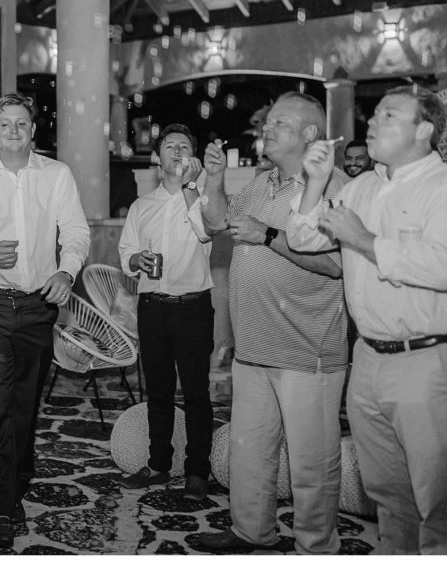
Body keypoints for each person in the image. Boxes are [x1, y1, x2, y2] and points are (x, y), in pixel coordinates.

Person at [288, 85, 447, 554]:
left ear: (424, 129)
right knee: (388, 494)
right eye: (376, 112)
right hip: (367, 359)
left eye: (390, 115)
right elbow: (304, 240)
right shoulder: (363, 186)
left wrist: (363, 239)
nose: (373, 120)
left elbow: (443, 267)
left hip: (428, 361)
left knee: (440, 500)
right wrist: (314, 181)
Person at [196, 92, 348, 554]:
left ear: (309, 134)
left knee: (311, 464)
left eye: (279, 122)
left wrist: (268, 236)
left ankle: (316, 546)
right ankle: (251, 534)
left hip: (308, 350)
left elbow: (338, 265)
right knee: (249, 453)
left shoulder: (335, 186)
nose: (267, 126)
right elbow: (219, 220)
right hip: (254, 347)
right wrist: (217, 178)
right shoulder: (262, 183)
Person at [0, 93, 90, 548]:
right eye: (3, 123)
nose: (12, 130)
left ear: (32, 130)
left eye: (21, 123)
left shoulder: (57, 175)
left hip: (37, 307)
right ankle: (1, 507)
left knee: (24, 404)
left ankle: (16, 477)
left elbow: (77, 232)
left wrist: (67, 272)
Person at [117, 124, 214, 501]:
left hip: (193, 307)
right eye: (169, 146)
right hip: (152, 307)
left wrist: (191, 189)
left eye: (184, 146)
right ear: (157, 157)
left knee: (196, 393)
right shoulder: (143, 206)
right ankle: (158, 465)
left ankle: (197, 472)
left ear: (193, 156)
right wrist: (134, 259)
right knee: (157, 391)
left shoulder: (204, 199)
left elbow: (207, 233)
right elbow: (125, 253)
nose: (176, 151)